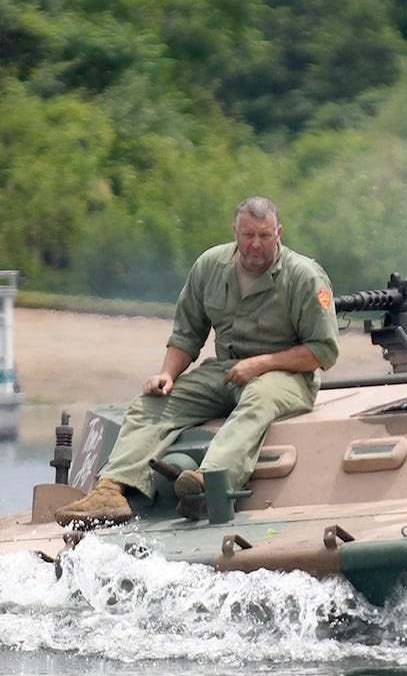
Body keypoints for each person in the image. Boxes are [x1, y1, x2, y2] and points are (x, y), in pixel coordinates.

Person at [52, 197, 338, 526]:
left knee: (258, 400)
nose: (255, 244)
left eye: (265, 235)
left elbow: (323, 351)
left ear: (279, 233)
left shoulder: (303, 277)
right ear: (235, 232)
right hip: (226, 370)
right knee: (153, 403)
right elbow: (187, 334)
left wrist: (260, 365)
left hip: (288, 375)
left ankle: (208, 480)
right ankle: (112, 490)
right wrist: (167, 374)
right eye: (248, 235)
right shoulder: (210, 267)